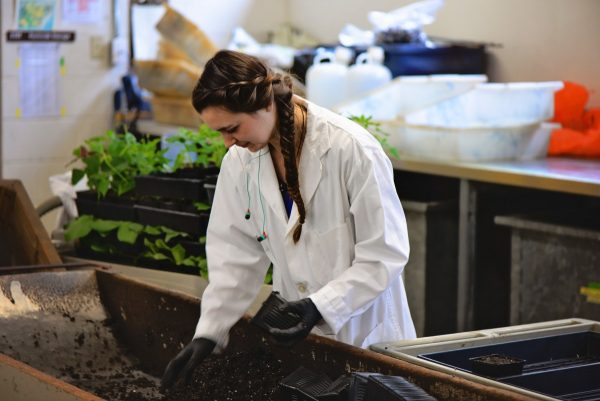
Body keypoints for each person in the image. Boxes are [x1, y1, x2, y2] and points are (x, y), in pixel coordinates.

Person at [161, 50, 415, 387]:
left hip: (367, 339)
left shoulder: (350, 149)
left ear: (265, 104)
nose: (228, 142)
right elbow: (234, 256)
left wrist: (322, 306)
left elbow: (384, 254)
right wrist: (210, 332)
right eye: (220, 132)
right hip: (301, 344)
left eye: (233, 128)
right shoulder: (240, 163)